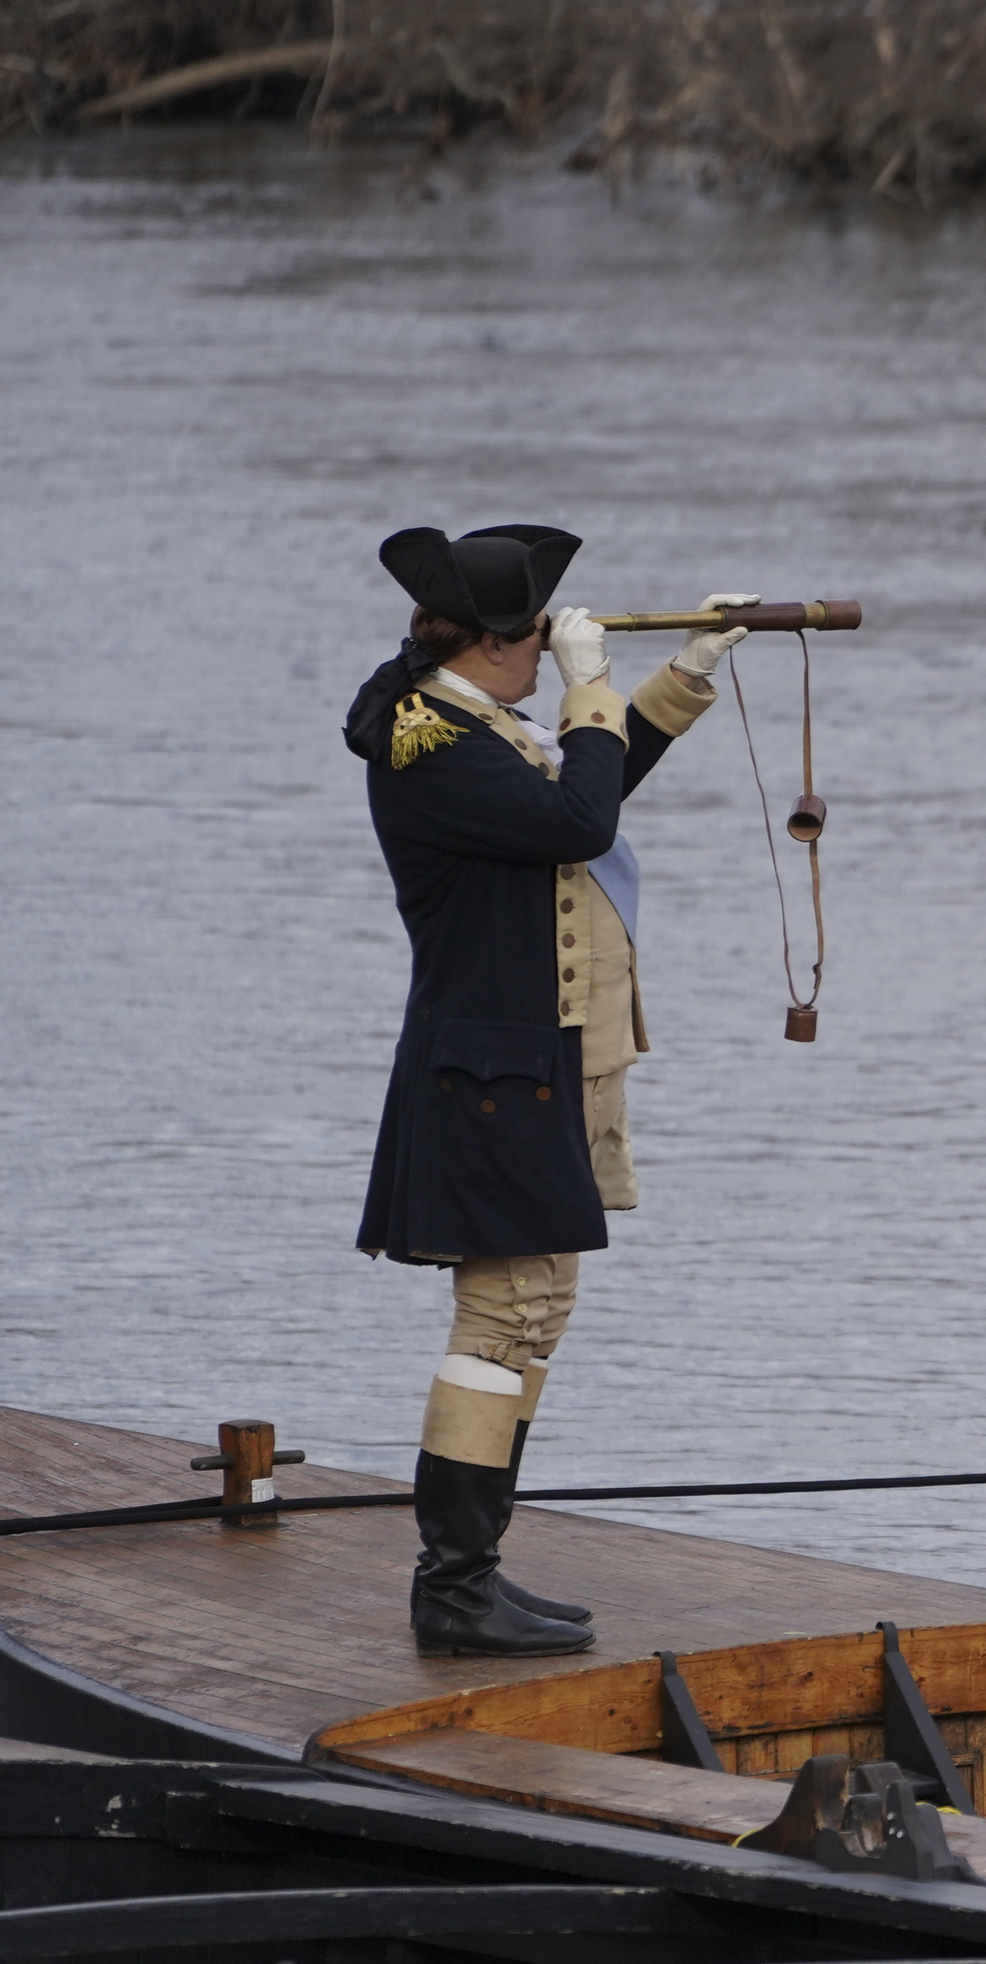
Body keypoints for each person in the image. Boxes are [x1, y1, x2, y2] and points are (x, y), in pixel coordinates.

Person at [341, 524, 758, 1656]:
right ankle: (455, 1584)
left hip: (537, 1058)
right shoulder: (432, 745)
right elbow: (583, 814)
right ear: (488, 643)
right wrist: (589, 682)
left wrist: (688, 672)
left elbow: (580, 784)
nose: (549, 653)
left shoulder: (476, 724)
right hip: (494, 1070)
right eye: (535, 637)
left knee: (540, 1310)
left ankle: (478, 1573)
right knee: (505, 1311)